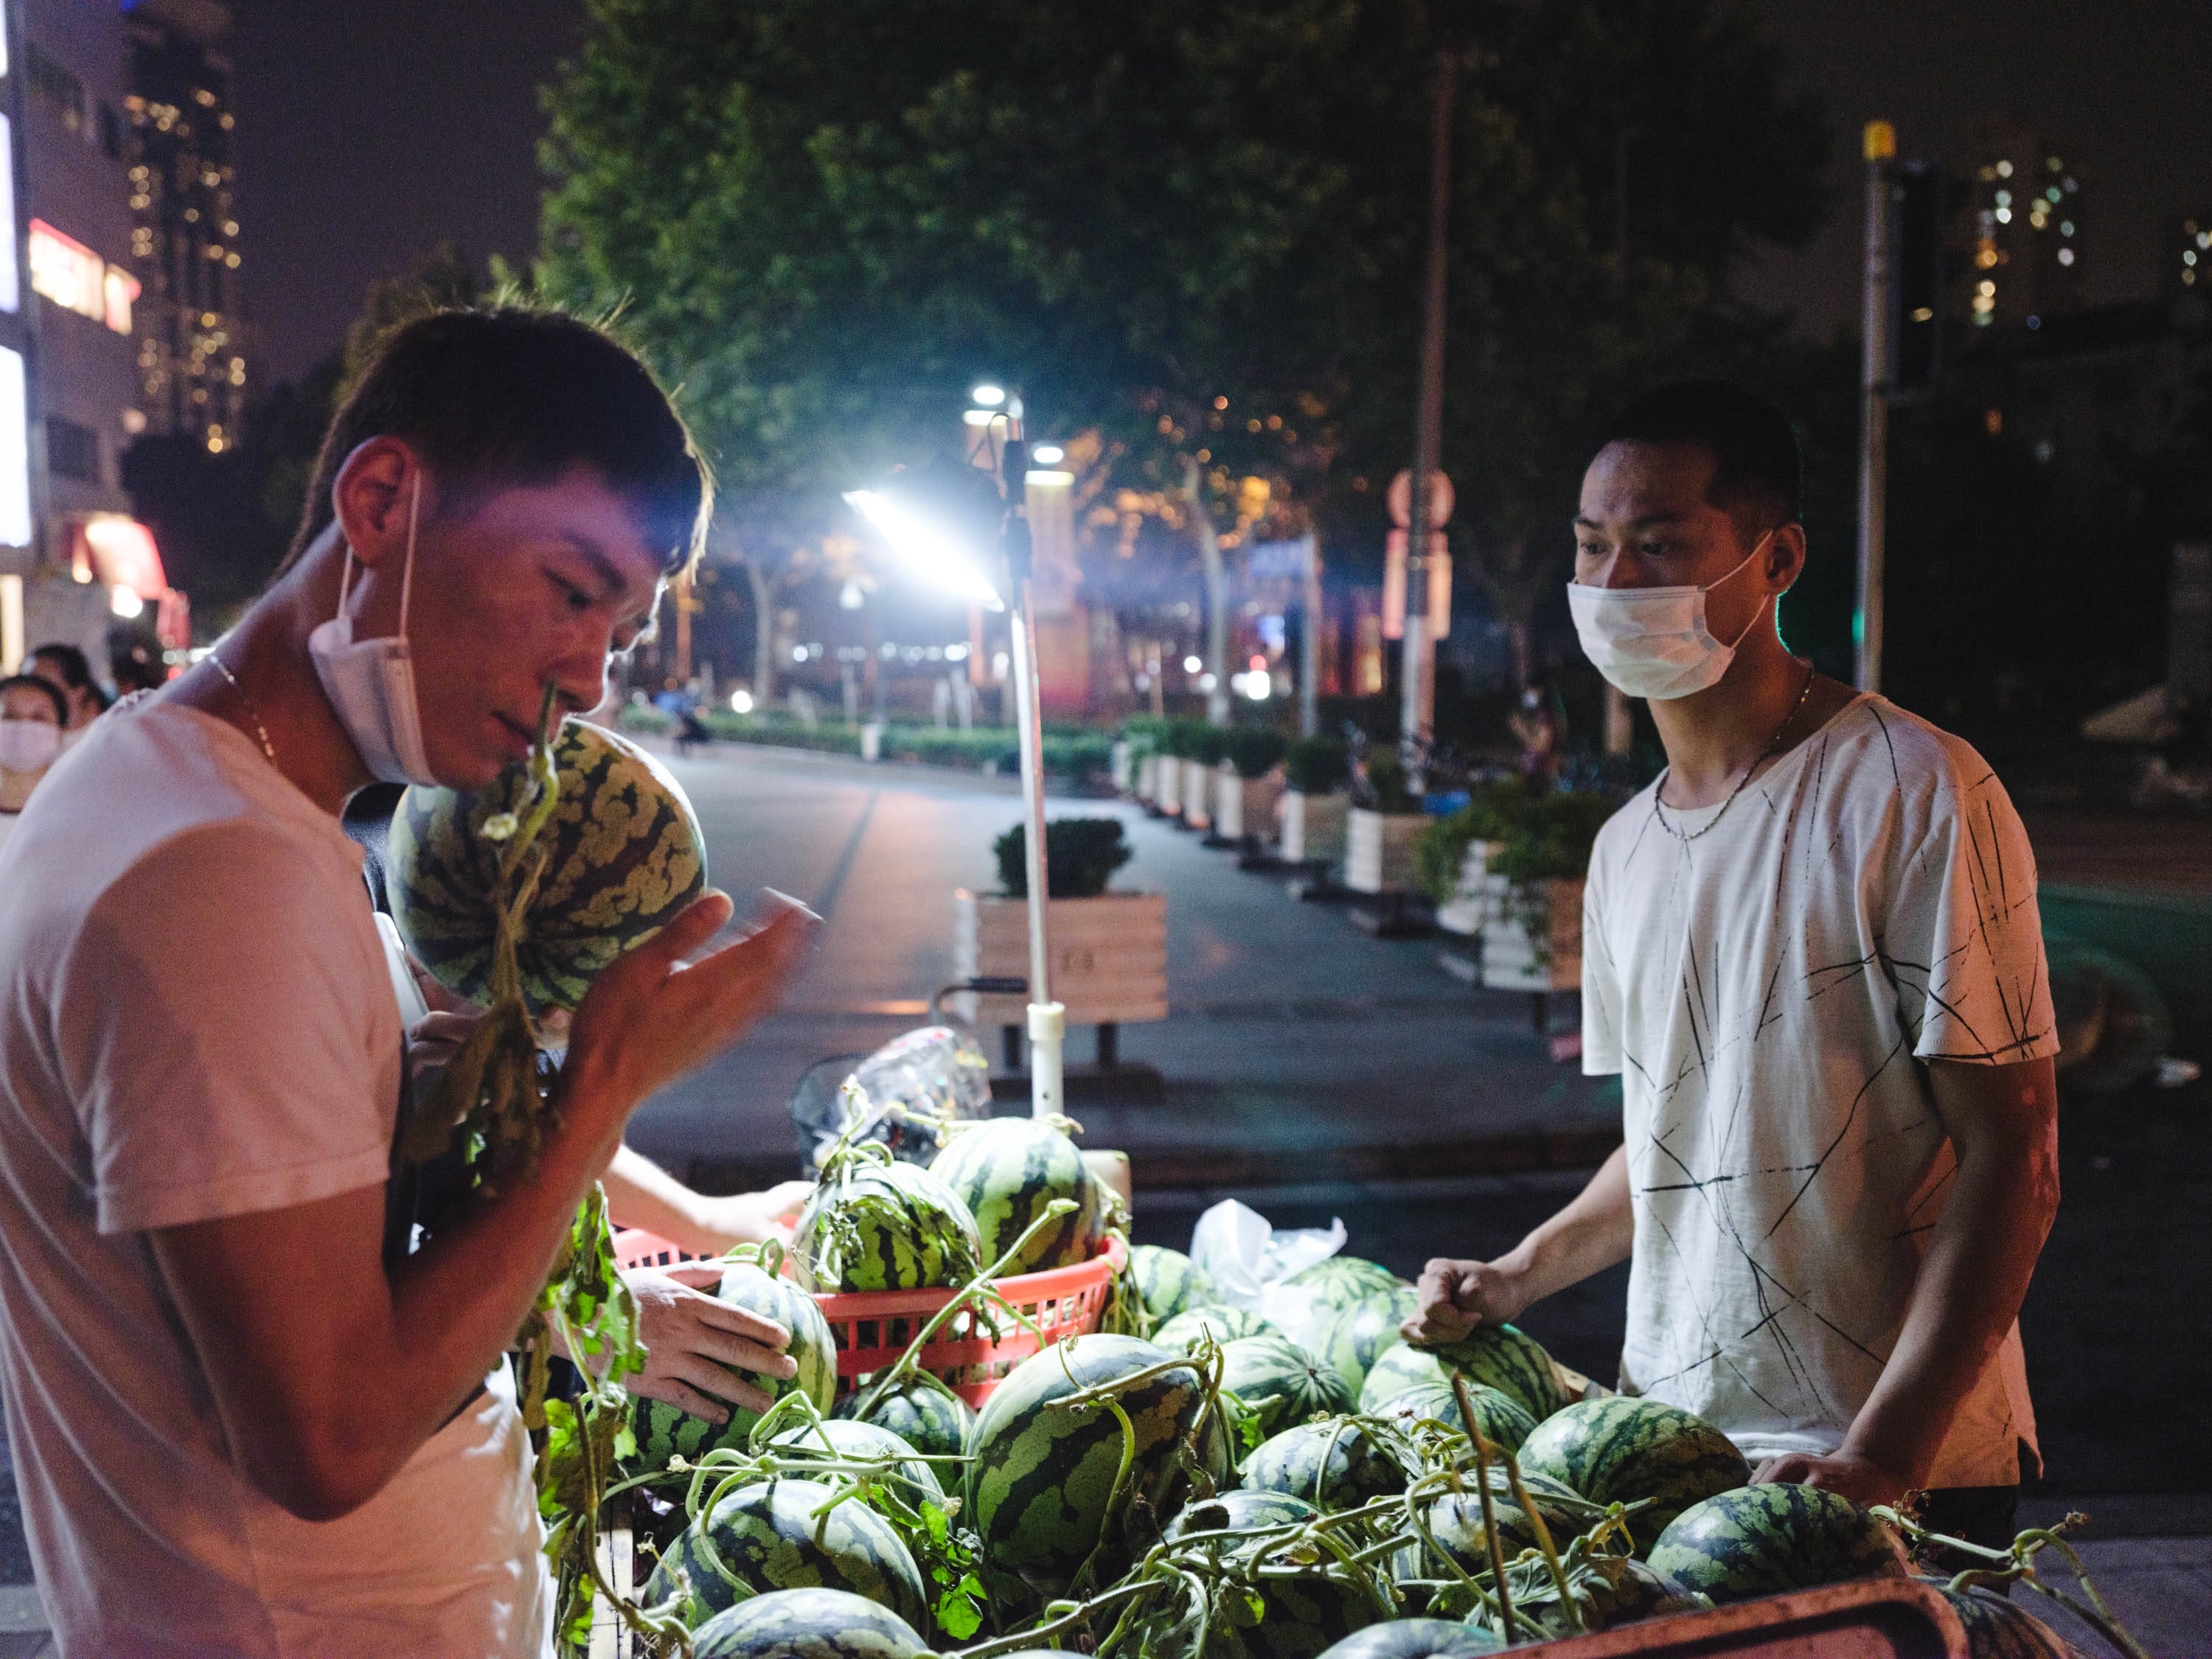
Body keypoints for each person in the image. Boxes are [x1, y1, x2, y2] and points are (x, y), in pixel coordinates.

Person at [0, 306, 818, 1658]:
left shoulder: (170, 786)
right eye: (571, 590)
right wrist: (604, 1085)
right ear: (382, 501)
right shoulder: (222, 876)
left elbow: (326, 1185)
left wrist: (618, 1280)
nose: (589, 680)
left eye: (619, 629)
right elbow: (327, 1438)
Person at [1408, 381, 2060, 1549]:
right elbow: (1676, 1139)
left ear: (1777, 559)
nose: (1610, 585)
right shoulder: (1624, 847)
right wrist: (1516, 1274)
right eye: (1592, 544)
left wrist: (1885, 1453)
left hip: (1898, 1475)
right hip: (1677, 1458)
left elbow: (2017, 1154)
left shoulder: (1919, 791)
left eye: (1657, 545)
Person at [0, 674, 67, 856]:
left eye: (39, 717)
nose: (23, 726)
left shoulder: (76, 816)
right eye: (10, 716)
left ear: (59, 733)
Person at [26, 644, 109, 752]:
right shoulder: (28, 741)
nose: (29, 696)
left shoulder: (108, 741)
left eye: (44, 687)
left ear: (79, 691)